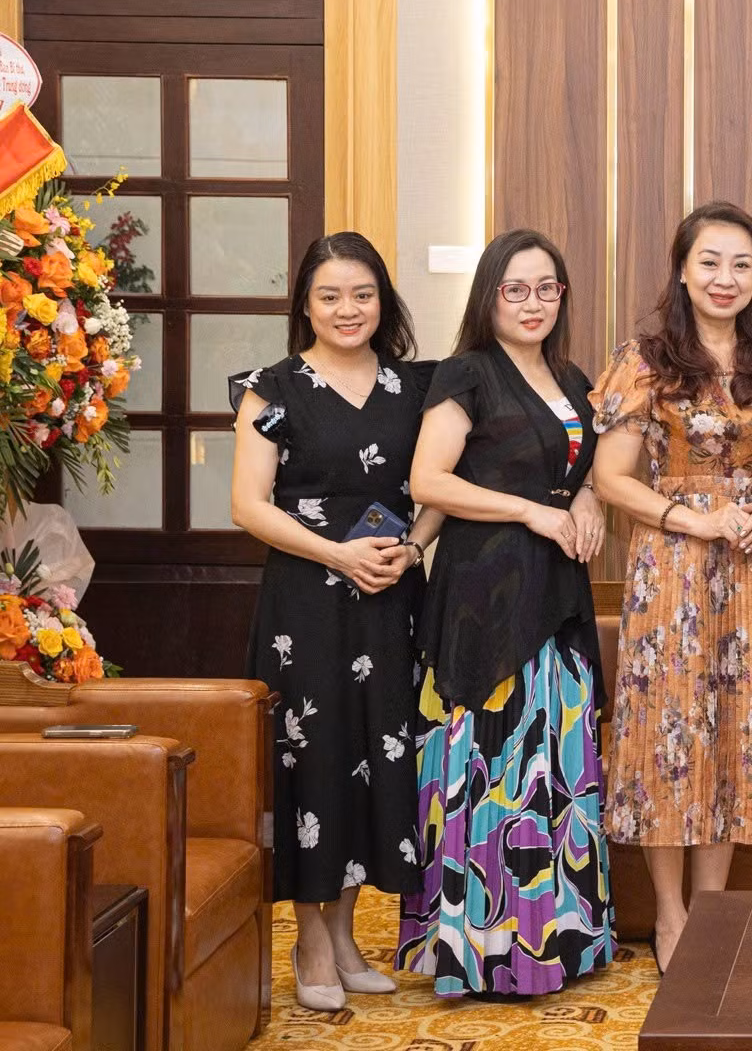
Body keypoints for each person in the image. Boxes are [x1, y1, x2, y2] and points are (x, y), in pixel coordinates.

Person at [589, 202, 752, 974]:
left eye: (740, 264)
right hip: (673, 571)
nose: (725, 278)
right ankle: (672, 914)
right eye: (710, 261)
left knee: (734, 733)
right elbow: (610, 480)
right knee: (669, 733)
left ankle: (713, 910)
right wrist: (697, 520)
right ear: (683, 268)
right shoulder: (645, 358)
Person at [395, 228, 613, 999]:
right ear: (489, 295)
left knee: (553, 766)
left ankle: (557, 941)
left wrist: (583, 499)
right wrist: (532, 512)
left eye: (546, 288)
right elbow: (430, 480)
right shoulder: (468, 372)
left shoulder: (571, 375)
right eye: (515, 289)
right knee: (492, 771)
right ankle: (481, 948)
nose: (532, 303)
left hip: (554, 592)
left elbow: (584, 467)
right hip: (483, 598)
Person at [227, 232, 437, 1012]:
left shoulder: (416, 386)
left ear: (383, 300)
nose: (348, 310)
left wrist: (412, 547)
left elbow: (438, 483)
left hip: (389, 599)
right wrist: (336, 556)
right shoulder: (271, 389)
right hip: (305, 607)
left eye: (363, 294)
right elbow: (248, 505)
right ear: (305, 306)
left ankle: (346, 934)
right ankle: (310, 939)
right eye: (330, 296)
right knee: (312, 760)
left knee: (374, 758)